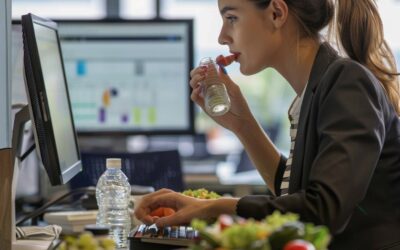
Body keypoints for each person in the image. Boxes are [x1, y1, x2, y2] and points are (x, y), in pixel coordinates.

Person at [134, 0, 400, 249]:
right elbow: (293, 195)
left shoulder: (347, 82)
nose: (222, 36)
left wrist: (213, 207)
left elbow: (322, 210)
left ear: (276, 13)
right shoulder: (316, 90)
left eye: (231, 18)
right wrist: (243, 125)